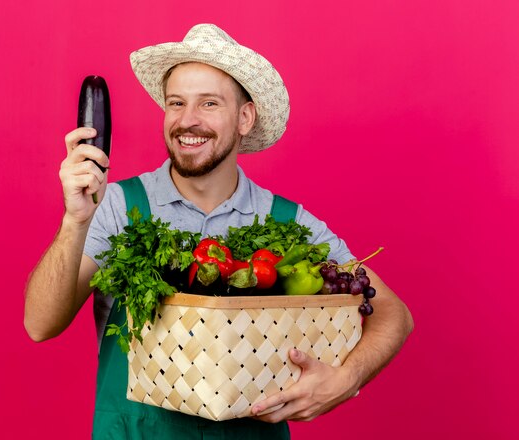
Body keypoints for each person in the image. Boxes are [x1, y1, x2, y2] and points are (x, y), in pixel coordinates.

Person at [25, 24, 413, 439]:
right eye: (177, 102)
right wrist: (76, 220)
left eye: (209, 103)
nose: (188, 120)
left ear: (244, 117)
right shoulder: (116, 206)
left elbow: (394, 315)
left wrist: (344, 380)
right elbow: (39, 325)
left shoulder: (287, 225)